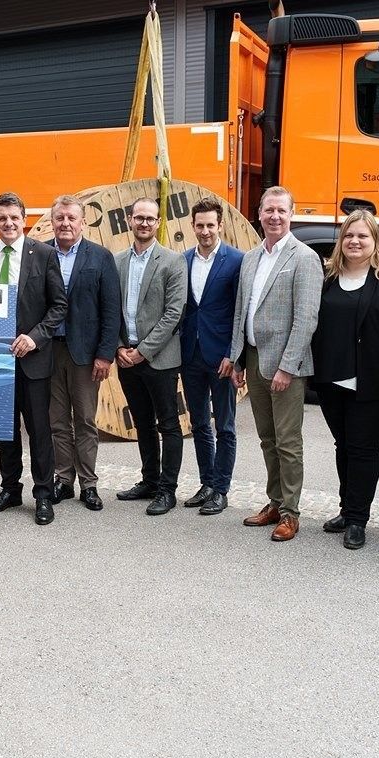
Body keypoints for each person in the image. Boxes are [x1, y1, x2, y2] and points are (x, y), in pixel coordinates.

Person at [312, 211, 379, 550]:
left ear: (375, 240)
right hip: (331, 380)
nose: (354, 241)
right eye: (349, 235)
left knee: (363, 448)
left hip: (375, 382)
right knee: (343, 445)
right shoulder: (328, 276)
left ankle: (358, 519)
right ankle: (347, 509)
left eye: (362, 236)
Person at [228, 186, 322, 542]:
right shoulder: (251, 257)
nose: (275, 216)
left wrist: (287, 367)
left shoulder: (305, 257)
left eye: (282, 210)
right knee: (267, 439)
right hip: (254, 359)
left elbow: (306, 318)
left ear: (291, 214)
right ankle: (275, 501)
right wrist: (237, 359)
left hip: (285, 366)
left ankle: (290, 513)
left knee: (287, 442)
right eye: (269, 210)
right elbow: (241, 311)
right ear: (259, 213)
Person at [0, 192, 68, 525]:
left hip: (33, 358)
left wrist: (34, 337)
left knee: (39, 430)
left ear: (24, 220)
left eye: (14, 217)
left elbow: (59, 305)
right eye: (2, 218)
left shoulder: (44, 253)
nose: (9, 223)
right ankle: (10, 489)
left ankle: (43, 494)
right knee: (5, 429)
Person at [46, 194, 121, 512]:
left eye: (71, 218)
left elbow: (111, 310)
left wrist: (105, 354)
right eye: (60, 217)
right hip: (49, 352)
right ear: (52, 221)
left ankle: (88, 484)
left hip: (86, 356)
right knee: (58, 422)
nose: (65, 223)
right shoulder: (40, 254)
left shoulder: (100, 257)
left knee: (86, 421)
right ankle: (63, 480)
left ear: (82, 222)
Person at [114, 197, 187, 516]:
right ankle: (149, 481)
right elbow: (111, 309)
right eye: (139, 217)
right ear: (129, 220)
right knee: (142, 424)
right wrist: (119, 347)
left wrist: (142, 352)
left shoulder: (173, 261)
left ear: (158, 223)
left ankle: (167, 490)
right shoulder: (117, 261)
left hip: (159, 360)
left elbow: (174, 313)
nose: (144, 223)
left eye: (150, 219)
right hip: (125, 357)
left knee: (168, 425)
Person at [179, 198, 243, 516]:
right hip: (191, 354)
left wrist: (234, 354)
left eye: (210, 225)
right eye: (200, 225)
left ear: (220, 225)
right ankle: (206, 483)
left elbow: (240, 312)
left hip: (222, 358)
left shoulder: (236, 261)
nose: (205, 231)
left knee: (225, 426)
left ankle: (221, 489)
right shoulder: (183, 260)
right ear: (192, 226)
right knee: (199, 423)